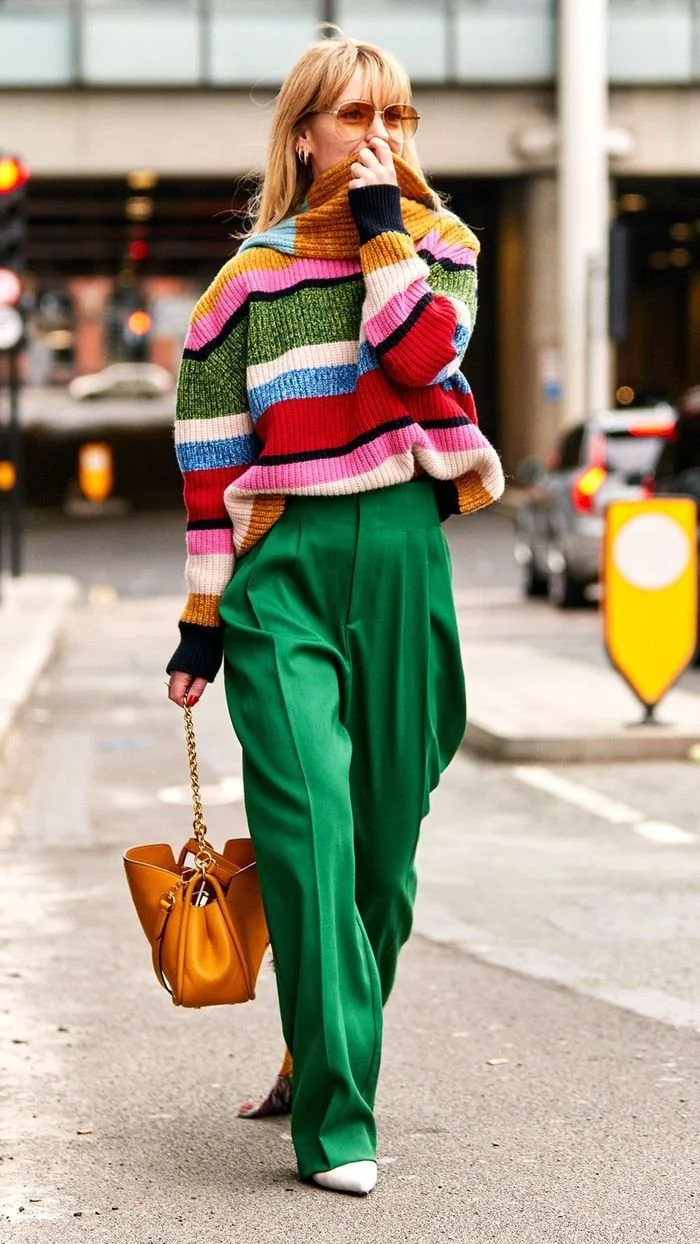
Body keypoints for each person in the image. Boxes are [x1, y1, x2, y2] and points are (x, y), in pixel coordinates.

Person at [167, 34, 504, 1196]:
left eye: (398, 117)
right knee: (309, 834)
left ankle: (315, 1040)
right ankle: (337, 1118)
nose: (380, 136)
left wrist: (380, 231)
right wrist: (203, 620)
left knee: (384, 861)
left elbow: (420, 361)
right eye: (356, 115)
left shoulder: (442, 250)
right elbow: (212, 462)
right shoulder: (241, 285)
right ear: (303, 131)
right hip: (285, 574)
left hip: (406, 557)